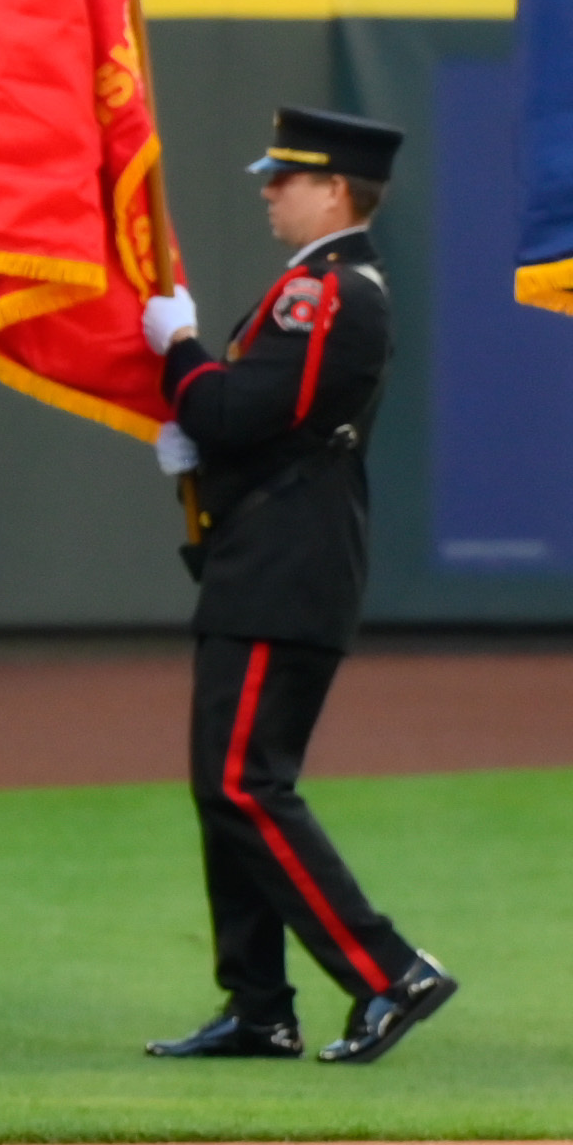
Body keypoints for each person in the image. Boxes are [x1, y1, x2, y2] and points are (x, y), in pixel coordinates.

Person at [136, 106, 455, 1065]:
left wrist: (180, 351)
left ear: (336, 190)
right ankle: (258, 1004)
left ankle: (387, 969)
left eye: (288, 176)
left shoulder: (332, 292)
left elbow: (247, 406)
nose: (269, 188)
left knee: (246, 781)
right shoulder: (312, 286)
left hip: (289, 561)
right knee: (223, 783)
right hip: (265, 557)